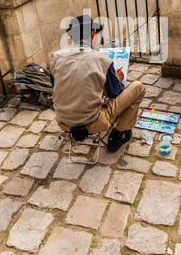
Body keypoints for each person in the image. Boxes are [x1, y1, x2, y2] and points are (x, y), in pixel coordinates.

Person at [49, 15, 146, 153]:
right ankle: (117, 135)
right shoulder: (102, 60)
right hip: (93, 123)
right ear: (93, 32)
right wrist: (117, 79)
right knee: (138, 88)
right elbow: (114, 92)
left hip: (63, 122)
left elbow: (56, 88)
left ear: (72, 37)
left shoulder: (55, 58)